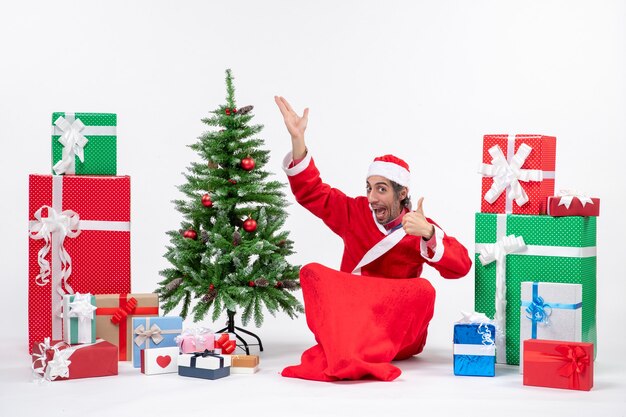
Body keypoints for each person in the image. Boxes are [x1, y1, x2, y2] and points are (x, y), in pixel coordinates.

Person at [274, 96, 472, 381]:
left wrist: (428, 233)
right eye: (369, 188)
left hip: (394, 328)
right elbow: (313, 192)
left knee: (424, 289)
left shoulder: (417, 225)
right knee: (312, 272)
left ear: (402, 193)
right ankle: (350, 344)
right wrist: (298, 140)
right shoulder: (355, 212)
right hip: (354, 316)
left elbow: (462, 267)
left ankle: (357, 348)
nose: (371, 198)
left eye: (381, 190)